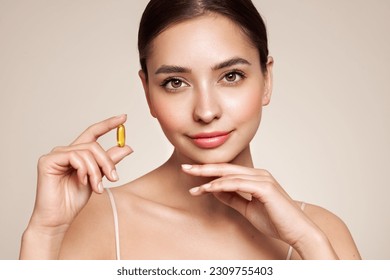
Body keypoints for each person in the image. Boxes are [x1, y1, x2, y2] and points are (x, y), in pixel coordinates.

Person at [19, 0, 361, 260]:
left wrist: (309, 244)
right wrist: (44, 234)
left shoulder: (322, 231)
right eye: (175, 82)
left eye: (231, 76)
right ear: (147, 93)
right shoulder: (97, 222)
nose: (206, 111)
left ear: (267, 79)